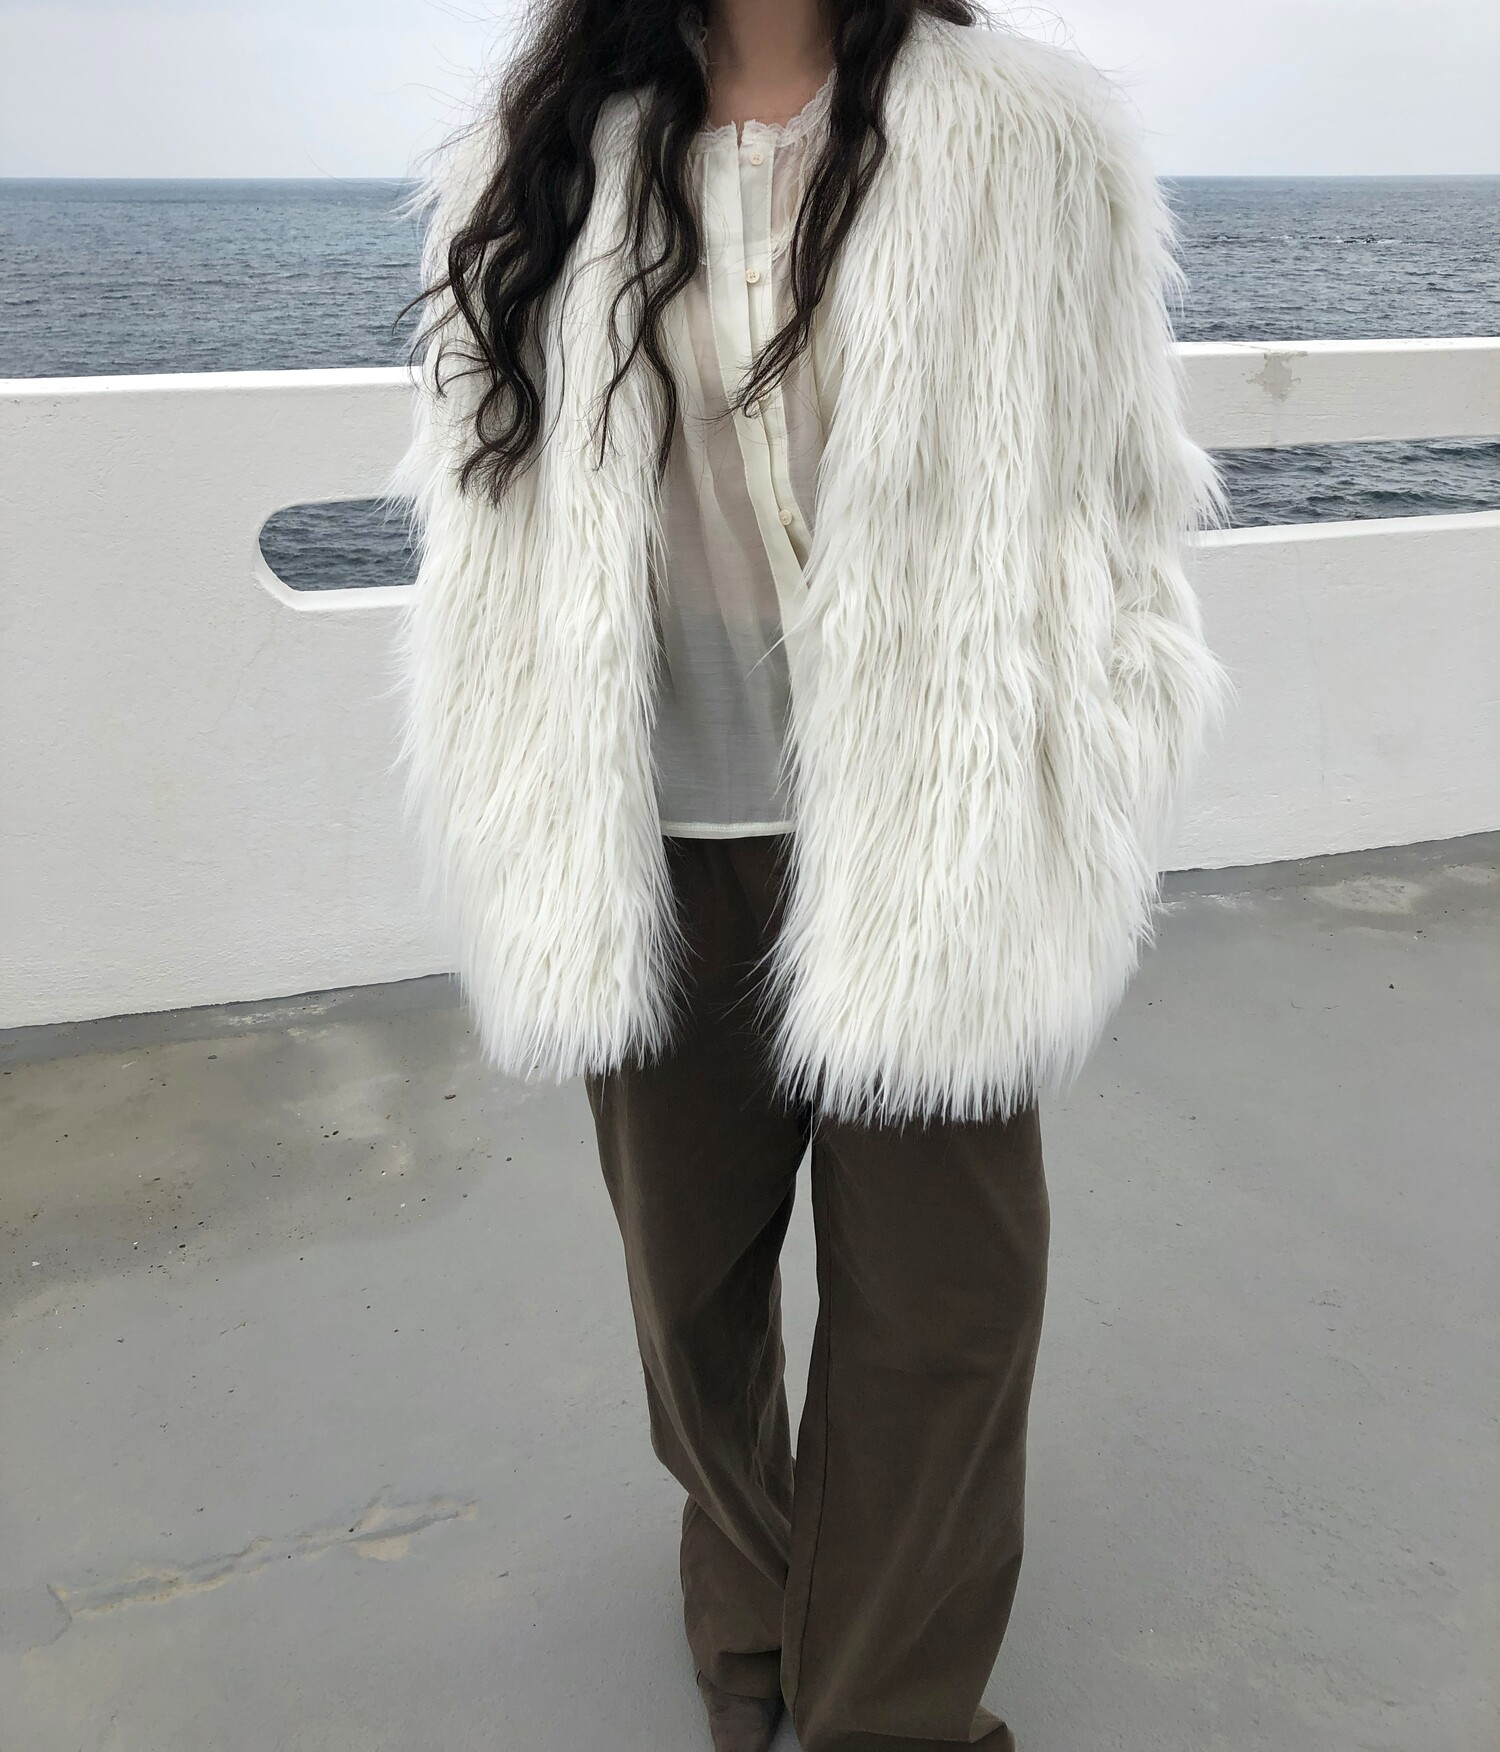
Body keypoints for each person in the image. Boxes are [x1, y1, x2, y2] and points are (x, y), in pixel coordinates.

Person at [392, 1, 1232, 1747]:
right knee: (689, 1298)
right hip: (649, 825)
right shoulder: (540, 155)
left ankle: (888, 1710)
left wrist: (1080, 762)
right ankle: (752, 1588)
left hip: (924, 827)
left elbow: (1114, 490)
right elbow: (491, 518)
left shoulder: (1025, 139)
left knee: (948, 1308)